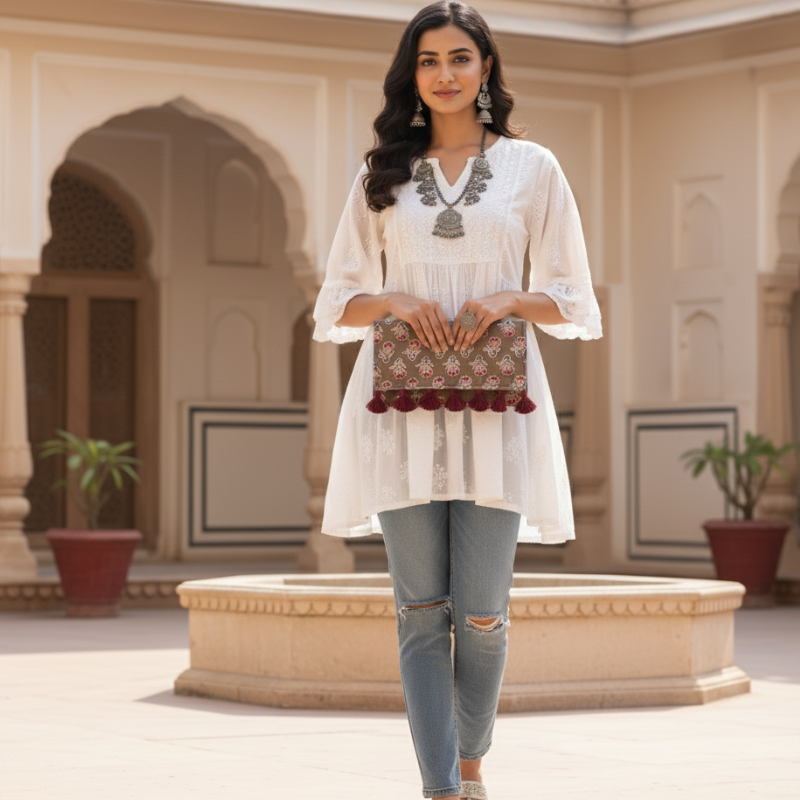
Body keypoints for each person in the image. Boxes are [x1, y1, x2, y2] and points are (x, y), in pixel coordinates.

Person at [312, 2, 602, 797]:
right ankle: (441, 783)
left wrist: (511, 300)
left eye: (460, 58)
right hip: (397, 412)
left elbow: (574, 298)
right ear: (413, 73)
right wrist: (396, 301)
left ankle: (472, 759)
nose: (444, 74)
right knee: (418, 613)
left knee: (481, 617)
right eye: (429, 60)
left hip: (499, 412)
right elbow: (336, 302)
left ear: (485, 70)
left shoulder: (532, 168)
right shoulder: (382, 175)